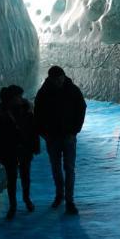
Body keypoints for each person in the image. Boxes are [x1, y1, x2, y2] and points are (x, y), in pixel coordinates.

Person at [34, 66, 86, 215]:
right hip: (53, 137)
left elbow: (81, 108)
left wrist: (75, 130)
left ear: (63, 76)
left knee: (67, 168)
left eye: (60, 79)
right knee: (58, 167)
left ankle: (68, 200)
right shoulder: (44, 93)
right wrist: (44, 133)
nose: (58, 82)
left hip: (67, 136)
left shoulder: (71, 90)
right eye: (56, 80)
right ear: (50, 79)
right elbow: (37, 115)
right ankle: (61, 195)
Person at [0, 85, 40, 220]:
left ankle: (26, 199)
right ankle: (14, 205)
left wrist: (35, 147)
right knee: (12, 179)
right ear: (10, 99)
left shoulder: (27, 111)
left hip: (23, 149)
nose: (20, 98)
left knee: (24, 176)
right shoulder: (2, 115)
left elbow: (33, 131)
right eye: (18, 96)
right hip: (9, 151)